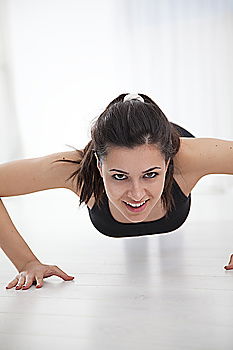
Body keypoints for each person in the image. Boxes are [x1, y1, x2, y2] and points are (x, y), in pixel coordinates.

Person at [1, 93, 233, 291]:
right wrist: (27, 263)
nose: (136, 194)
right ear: (100, 167)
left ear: (168, 163)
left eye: (150, 175)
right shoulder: (75, 170)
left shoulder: (190, 158)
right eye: (119, 176)